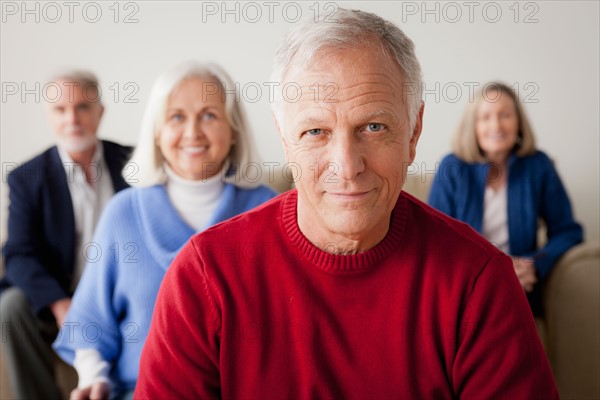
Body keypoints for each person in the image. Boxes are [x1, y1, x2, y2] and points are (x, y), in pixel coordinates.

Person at [135, 10, 559, 399]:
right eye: (316, 131)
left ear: (414, 133)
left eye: (374, 127)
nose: (347, 166)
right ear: (285, 138)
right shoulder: (203, 276)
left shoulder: (480, 283)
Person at [52, 61, 277, 400]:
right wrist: (92, 377)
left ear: (234, 130)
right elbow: (91, 323)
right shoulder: (123, 212)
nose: (192, 133)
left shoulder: (269, 211)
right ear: (157, 132)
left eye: (209, 115)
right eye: (176, 117)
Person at [0, 70, 132, 400]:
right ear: (49, 116)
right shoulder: (26, 178)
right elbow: (18, 253)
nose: (72, 118)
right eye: (60, 110)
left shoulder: (135, 162)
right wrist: (61, 305)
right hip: (59, 294)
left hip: (119, 291)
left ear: (100, 111)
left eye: (83, 107)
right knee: (11, 307)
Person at [428, 82, 583, 316]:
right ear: (473, 126)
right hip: (465, 284)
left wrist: (535, 264)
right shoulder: (451, 167)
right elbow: (433, 241)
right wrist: (482, 274)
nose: (496, 125)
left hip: (520, 286)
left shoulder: (538, 166)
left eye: (505, 115)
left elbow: (568, 231)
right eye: (485, 117)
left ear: (518, 122)